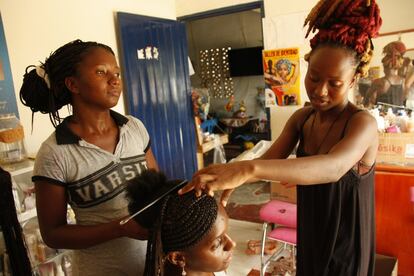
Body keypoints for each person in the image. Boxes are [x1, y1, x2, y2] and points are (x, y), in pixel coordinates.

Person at [180, 0, 382, 275]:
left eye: (334, 83)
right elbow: (268, 160)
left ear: (353, 81)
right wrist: (226, 177)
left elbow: (333, 167)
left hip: (346, 239)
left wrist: (247, 169)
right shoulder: (303, 118)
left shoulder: (362, 124)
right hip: (312, 229)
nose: (320, 91)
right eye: (313, 77)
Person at [19, 39, 159, 275]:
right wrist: (120, 229)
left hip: (154, 263)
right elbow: (53, 234)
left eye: (116, 72)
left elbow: (157, 190)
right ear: (73, 84)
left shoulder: (134, 128)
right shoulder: (55, 153)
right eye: (101, 72)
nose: (114, 80)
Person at [125, 169, 235, 276]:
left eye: (226, 233)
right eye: (216, 244)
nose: (232, 244)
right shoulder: (212, 265)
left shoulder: (210, 268)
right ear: (177, 257)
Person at [366, 40, 407, 107]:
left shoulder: (378, 82)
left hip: (381, 116)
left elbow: (366, 101)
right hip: (399, 116)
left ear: (385, 66)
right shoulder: (402, 81)